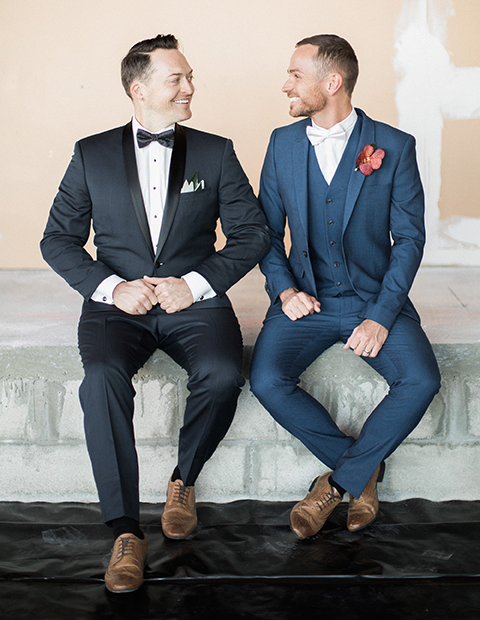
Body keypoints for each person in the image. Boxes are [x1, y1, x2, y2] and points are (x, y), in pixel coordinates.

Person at [41, 34, 269, 592]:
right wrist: (111, 288)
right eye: (178, 78)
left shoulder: (215, 152)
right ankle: (125, 532)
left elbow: (252, 233)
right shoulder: (90, 153)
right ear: (138, 89)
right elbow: (58, 240)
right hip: (118, 307)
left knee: (221, 374)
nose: (190, 87)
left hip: (194, 301)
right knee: (101, 381)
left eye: (190, 77)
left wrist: (194, 284)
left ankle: (183, 480)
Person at [250, 34, 441, 540]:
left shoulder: (393, 146)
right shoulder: (281, 143)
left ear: (331, 82)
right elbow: (264, 233)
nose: (285, 84)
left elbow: (410, 239)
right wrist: (285, 291)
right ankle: (362, 473)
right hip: (304, 300)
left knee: (421, 379)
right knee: (267, 380)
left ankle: (333, 485)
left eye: (295, 74)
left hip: (373, 299)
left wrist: (381, 314)